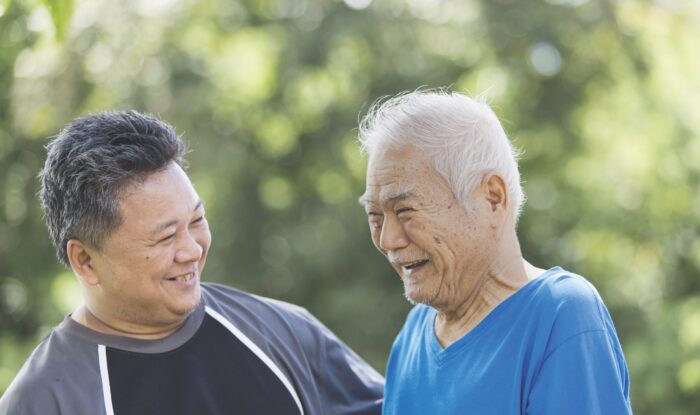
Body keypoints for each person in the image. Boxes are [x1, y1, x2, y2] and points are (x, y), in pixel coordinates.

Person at [0, 111, 383, 415]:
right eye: (166, 237)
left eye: (196, 222)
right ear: (84, 259)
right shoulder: (43, 402)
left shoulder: (283, 333)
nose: (192, 250)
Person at [357, 90, 632, 414]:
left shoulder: (559, 313)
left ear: (492, 198)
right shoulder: (412, 336)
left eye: (405, 211)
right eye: (375, 217)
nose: (388, 240)